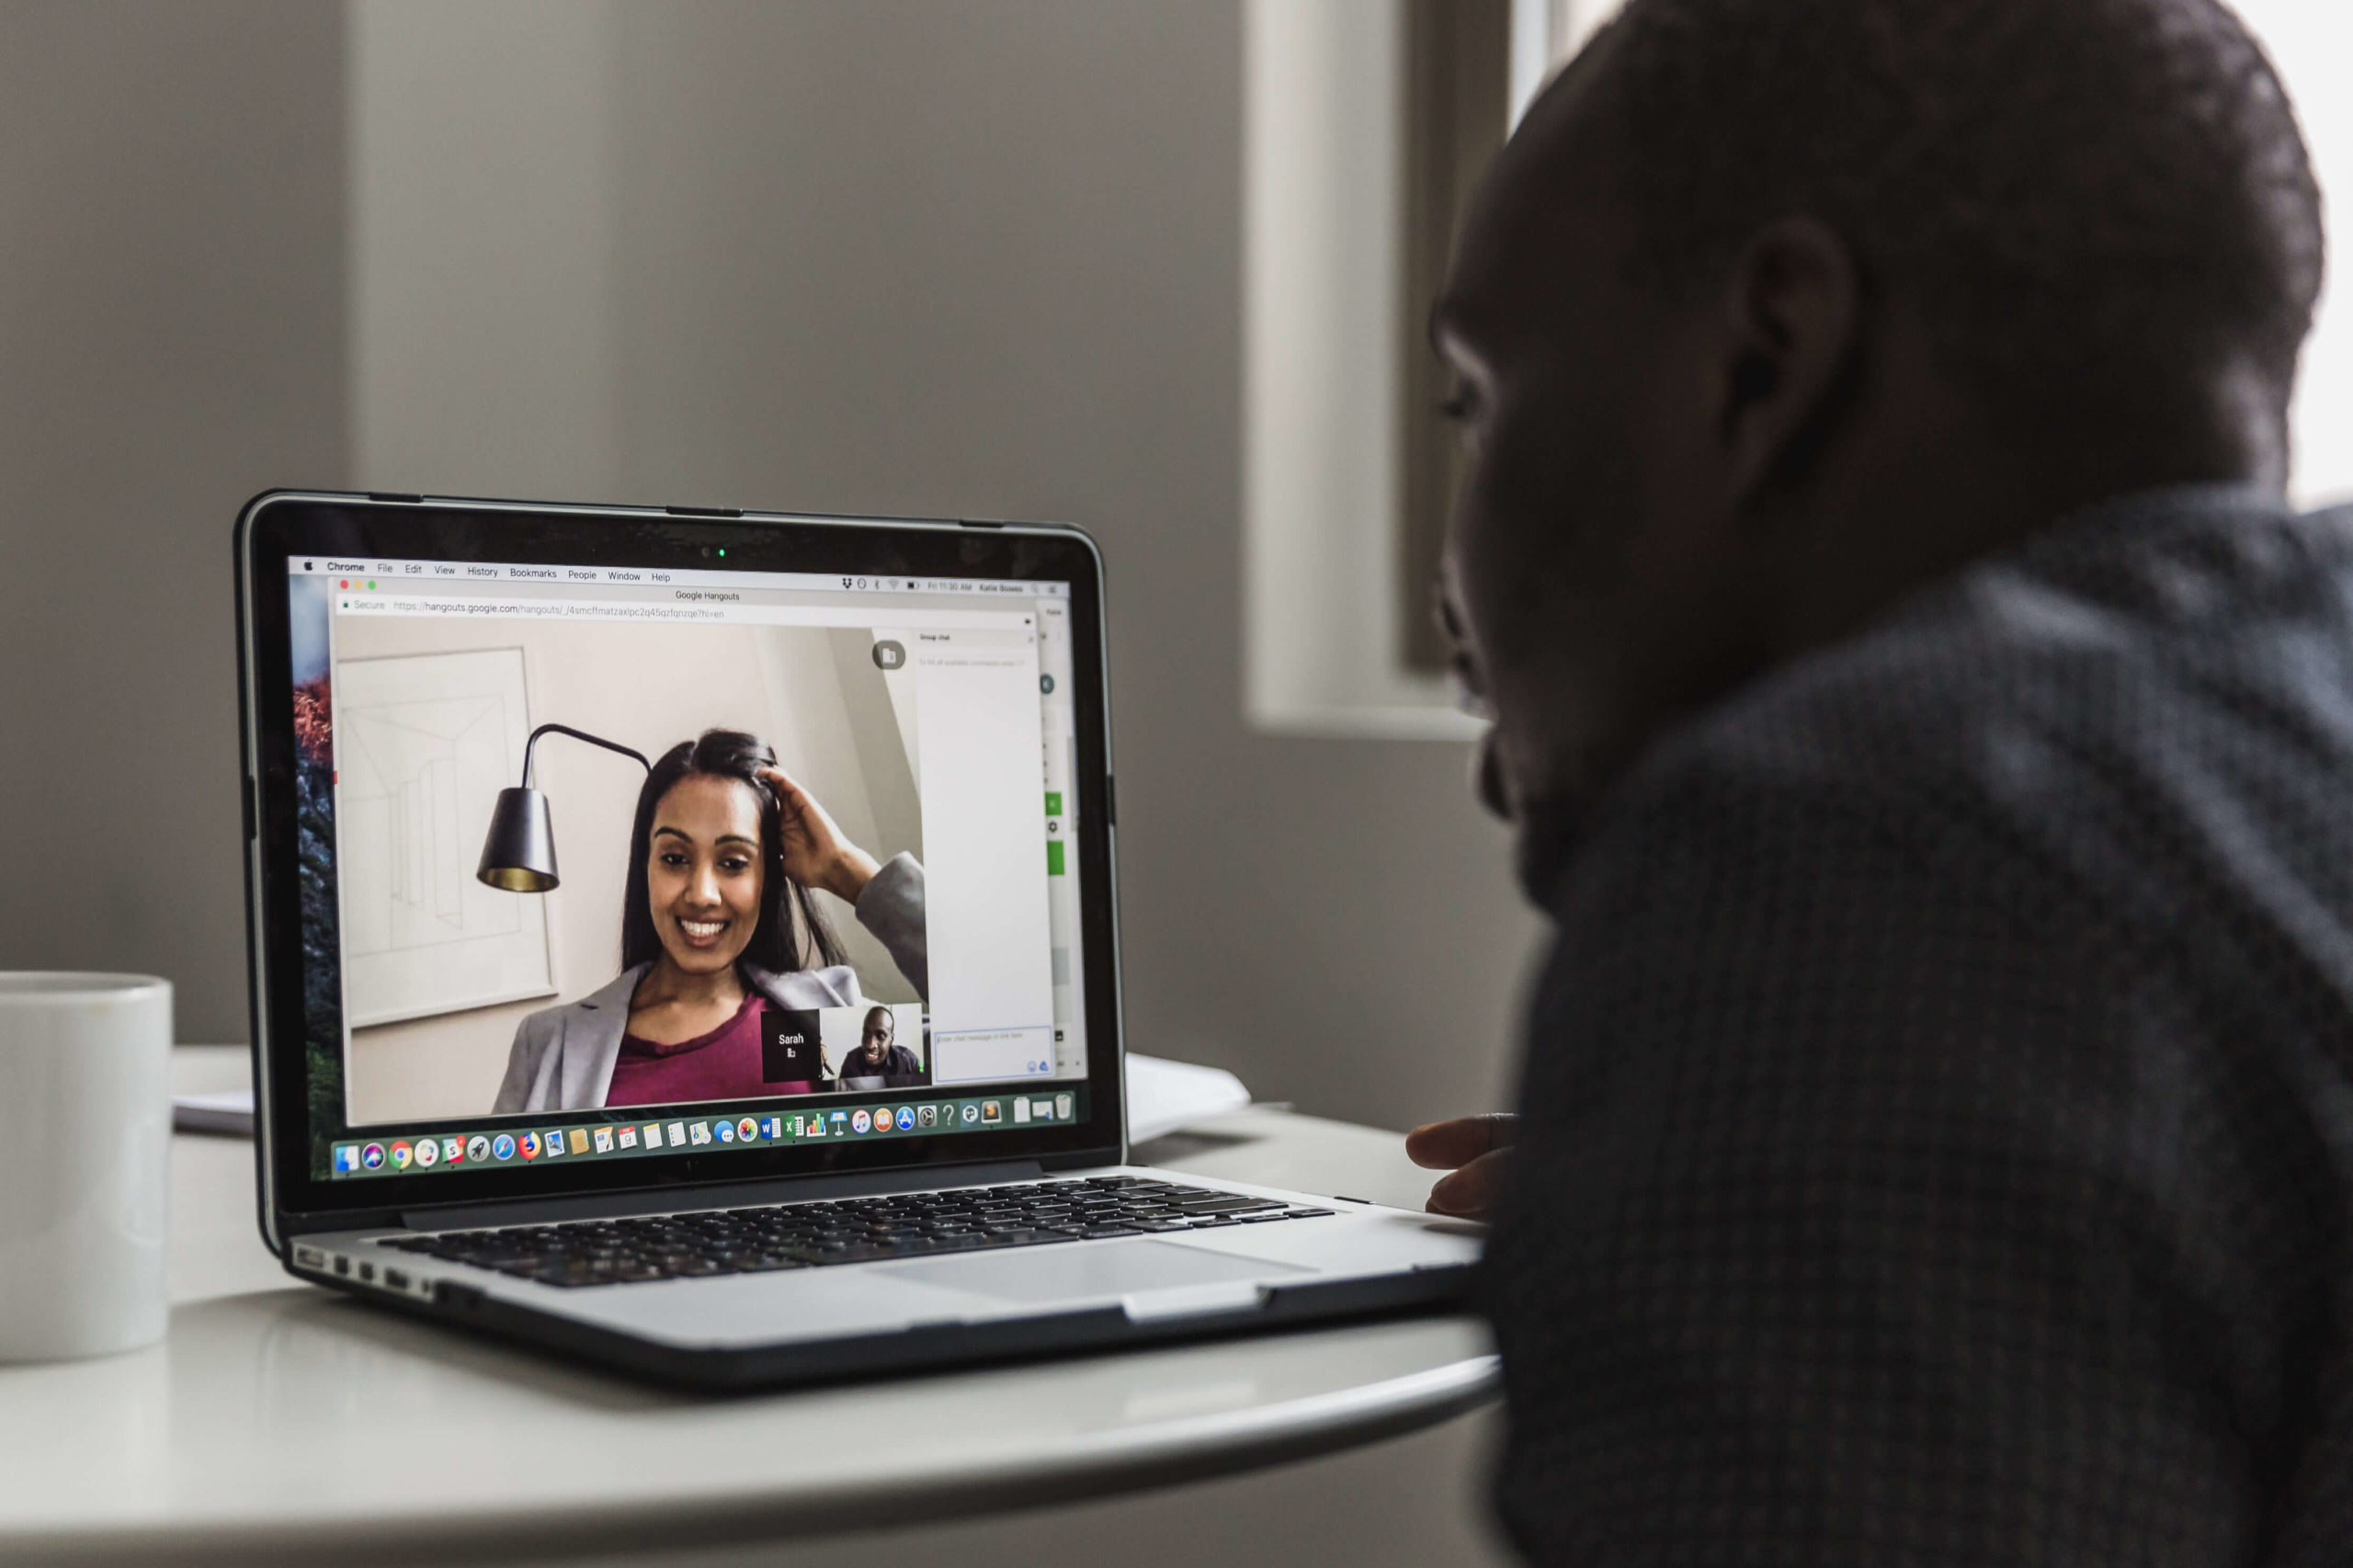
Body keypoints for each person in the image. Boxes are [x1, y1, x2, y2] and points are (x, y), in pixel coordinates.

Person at [1402, 0, 2353, 1560]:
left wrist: (1778, 1041)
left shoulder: (1851, 858)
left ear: (1766, 353)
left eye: (1478, 402)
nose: (1453, 581)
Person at [493, 729, 926, 1112]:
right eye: (675, 858)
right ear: (646, 866)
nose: (701, 894)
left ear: (766, 879)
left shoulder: (813, 1028)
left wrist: (851, 873)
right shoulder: (552, 1043)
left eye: (734, 862)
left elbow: (983, 1035)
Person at [832, 1004, 925, 1090]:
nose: (870, 1045)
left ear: (891, 1039)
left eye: (881, 1036)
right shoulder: (851, 1061)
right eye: (867, 1034)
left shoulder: (908, 1060)